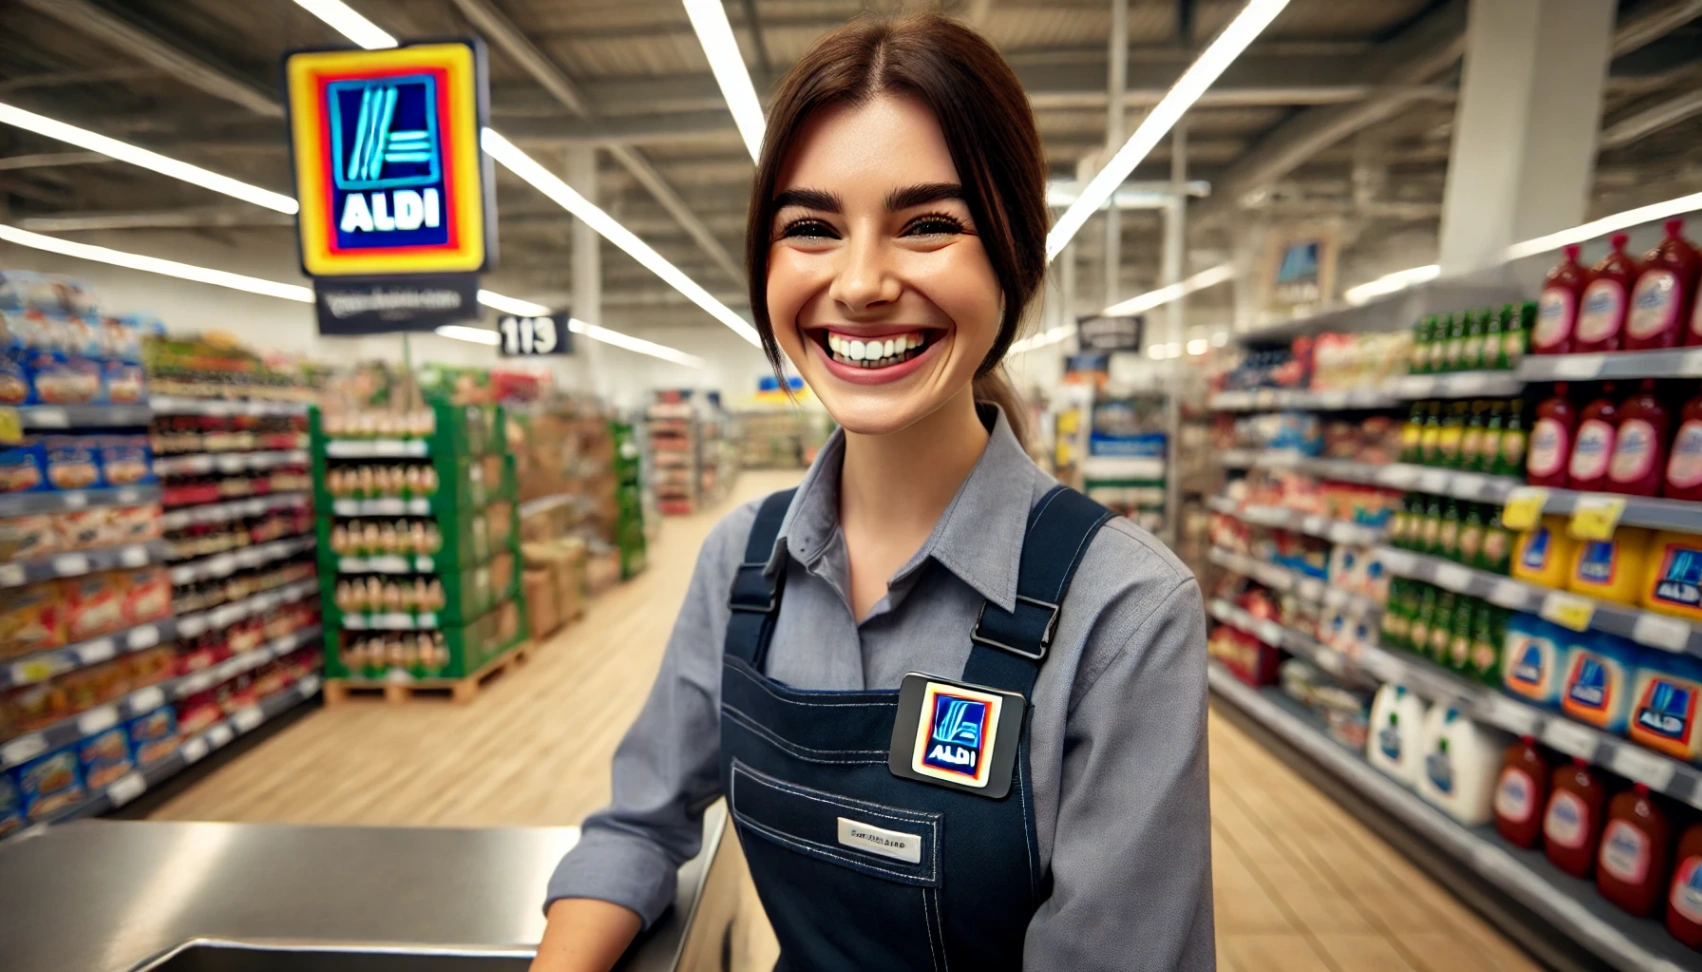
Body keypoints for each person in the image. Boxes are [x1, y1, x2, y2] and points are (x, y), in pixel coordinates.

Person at [531, 14, 1213, 972]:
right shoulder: (742, 567)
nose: (858, 283)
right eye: (810, 228)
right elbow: (638, 829)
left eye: (928, 225)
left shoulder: (1124, 614)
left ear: (1011, 253)